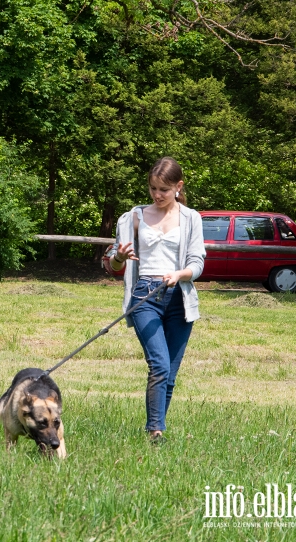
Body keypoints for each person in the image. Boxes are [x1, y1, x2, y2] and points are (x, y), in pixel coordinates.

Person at [109, 157, 205, 444]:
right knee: (159, 365)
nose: (157, 195)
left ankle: (157, 426)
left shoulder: (191, 218)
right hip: (145, 296)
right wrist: (119, 258)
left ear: (178, 186)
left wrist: (180, 274)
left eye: (163, 189)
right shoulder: (133, 217)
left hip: (179, 298)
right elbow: (113, 265)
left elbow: (197, 262)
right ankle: (155, 432)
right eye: (153, 188)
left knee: (170, 375)